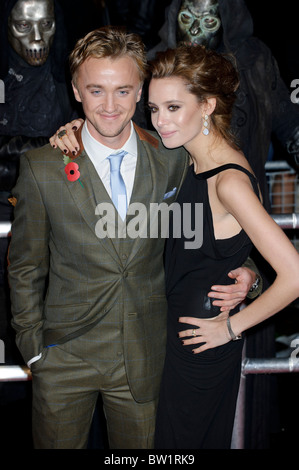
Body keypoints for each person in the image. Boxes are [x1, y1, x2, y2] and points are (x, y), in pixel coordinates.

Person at [8, 26, 257, 449]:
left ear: (140, 90)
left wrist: (248, 273)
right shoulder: (42, 166)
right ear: (76, 90)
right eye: (96, 90)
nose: (109, 106)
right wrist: (33, 349)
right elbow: (25, 266)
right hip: (63, 359)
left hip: (147, 358)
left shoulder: (173, 158)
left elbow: (208, 229)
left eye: (123, 90)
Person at [145, 44, 299, 449]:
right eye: (155, 108)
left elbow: (295, 275)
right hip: (175, 336)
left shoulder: (228, 180)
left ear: (208, 105)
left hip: (199, 346)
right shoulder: (193, 160)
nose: (161, 121)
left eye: (173, 108)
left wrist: (230, 328)